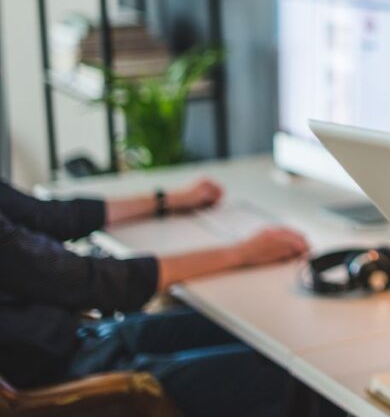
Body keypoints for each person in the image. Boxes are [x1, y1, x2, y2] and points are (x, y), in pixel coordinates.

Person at [0, 175, 309, 417]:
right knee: (295, 380)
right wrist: (242, 253)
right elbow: (91, 282)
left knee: (259, 331)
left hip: (79, 340)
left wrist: (170, 200)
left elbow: (47, 216)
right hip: (70, 382)